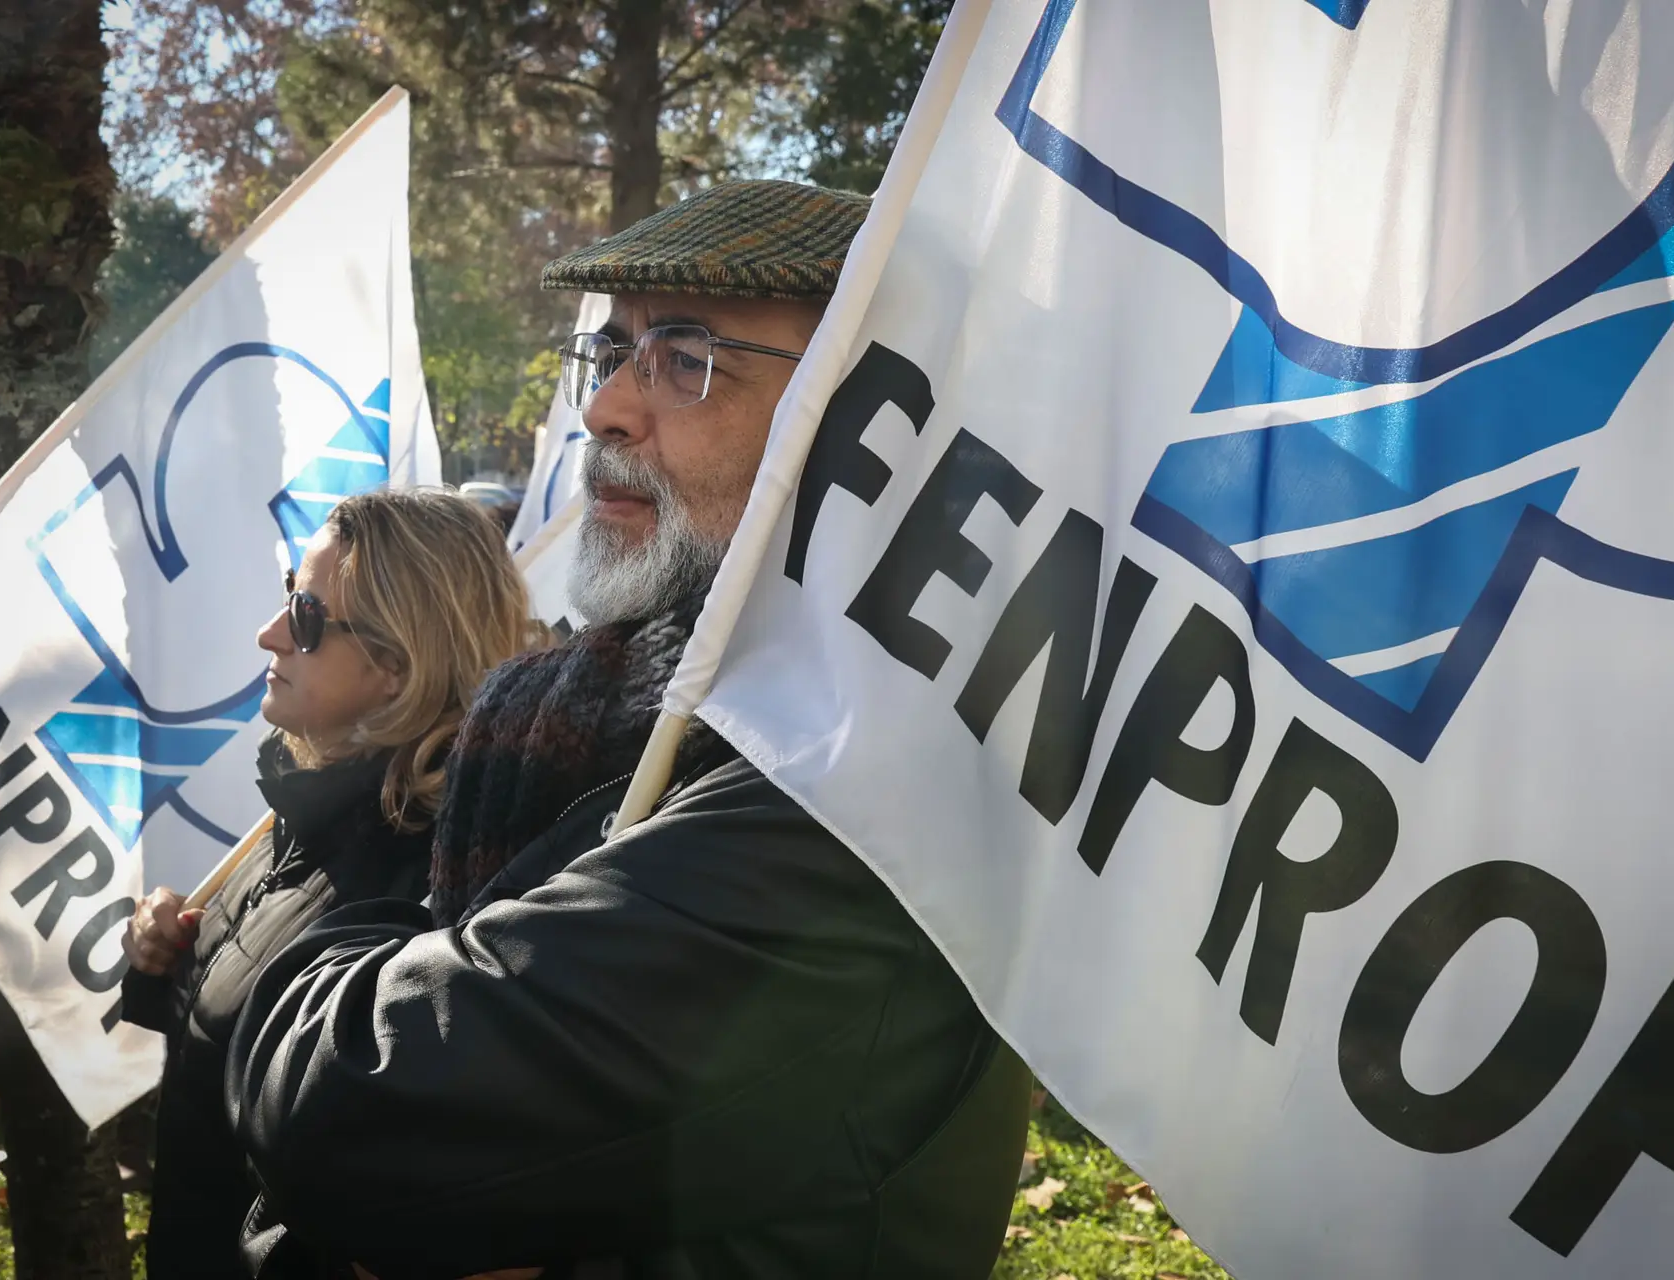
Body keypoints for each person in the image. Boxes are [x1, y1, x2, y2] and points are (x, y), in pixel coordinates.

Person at [226, 180, 1032, 1279]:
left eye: (687, 356)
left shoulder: (861, 790)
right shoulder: (572, 711)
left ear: (875, 420)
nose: (606, 407)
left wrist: (333, 955)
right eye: (615, 353)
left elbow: (347, 1113)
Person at [119, 488, 538, 1280]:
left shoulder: (434, 878)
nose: (269, 632)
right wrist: (168, 952)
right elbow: (236, 1027)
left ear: (397, 665)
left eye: (307, 618)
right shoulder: (309, 808)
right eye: (287, 598)